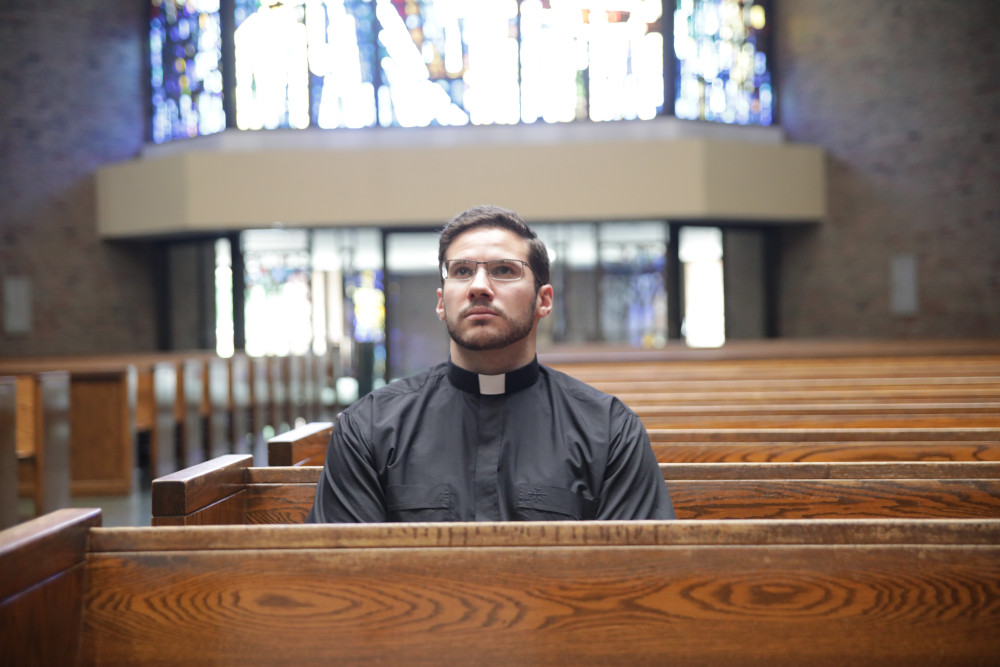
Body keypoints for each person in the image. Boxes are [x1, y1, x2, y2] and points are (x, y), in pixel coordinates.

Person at [307, 205, 674, 522]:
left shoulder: (609, 430)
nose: (478, 286)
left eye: (504, 270)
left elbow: (635, 572)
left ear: (544, 300)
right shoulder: (369, 427)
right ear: (441, 301)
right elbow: (342, 575)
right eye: (462, 271)